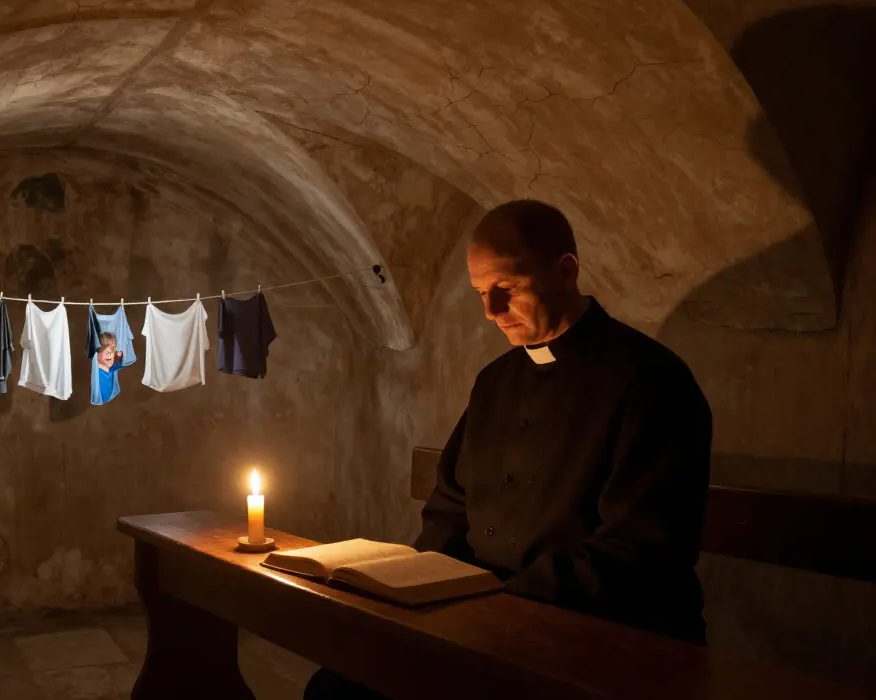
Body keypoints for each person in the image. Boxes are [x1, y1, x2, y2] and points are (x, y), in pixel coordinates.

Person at [304, 199, 712, 699]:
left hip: (597, 630)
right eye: (479, 293)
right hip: (484, 616)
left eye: (507, 289)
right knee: (338, 686)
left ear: (565, 270)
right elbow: (450, 509)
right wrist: (418, 587)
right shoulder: (495, 383)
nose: (491, 312)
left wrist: (496, 607)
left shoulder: (650, 381)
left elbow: (635, 549)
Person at [95, 331, 125, 402]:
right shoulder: (97, 373)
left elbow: (117, 366)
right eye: (105, 349)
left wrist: (119, 357)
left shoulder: (111, 368)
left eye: (113, 349)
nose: (110, 353)